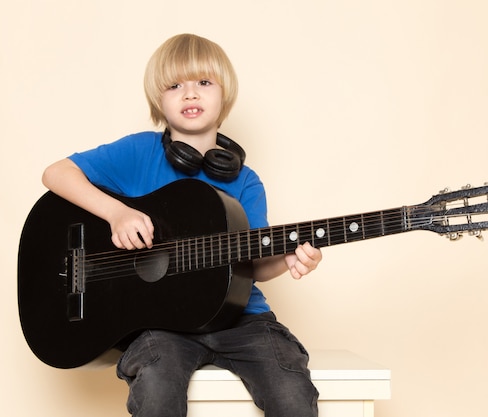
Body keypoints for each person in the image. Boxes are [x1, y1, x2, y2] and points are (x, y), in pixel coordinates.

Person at [42, 33, 323, 417]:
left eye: (204, 83)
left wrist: (289, 259)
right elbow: (57, 173)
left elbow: (254, 265)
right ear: (159, 100)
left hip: (243, 321)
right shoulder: (139, 151)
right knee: (156, 384)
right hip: (163, 328)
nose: (190, 95)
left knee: (291, 389)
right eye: (175, 85)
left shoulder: (246, 181)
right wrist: (116, 213)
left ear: (225, 94)